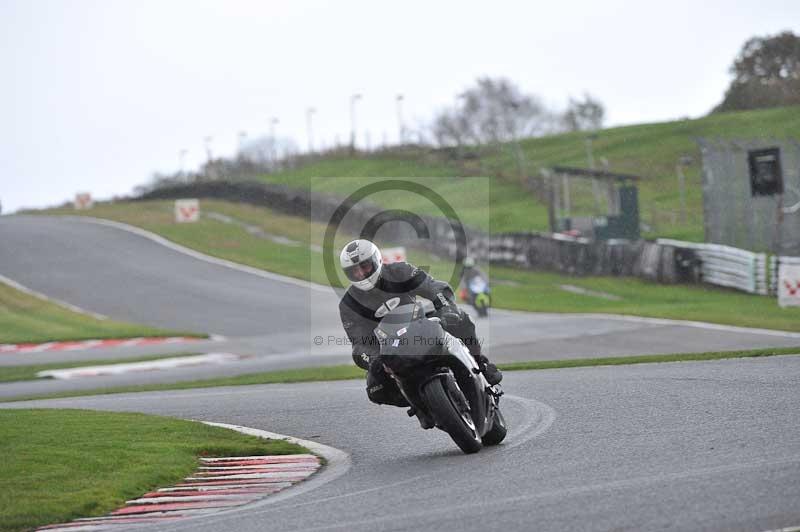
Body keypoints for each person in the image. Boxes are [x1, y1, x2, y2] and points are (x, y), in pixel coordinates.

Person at [337, 239, 501, 407]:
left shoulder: (400, 271)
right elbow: (359, 343)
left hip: (421, 323)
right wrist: (374, 360)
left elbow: (434, 288)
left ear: (376, 260)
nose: (360, 274)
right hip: (390, 349)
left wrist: (446, 309)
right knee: (375, 389)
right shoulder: (348, 304)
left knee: (461, 318)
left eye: (364, 267)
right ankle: (420, 405)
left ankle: (480, 363)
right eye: (354, 271)